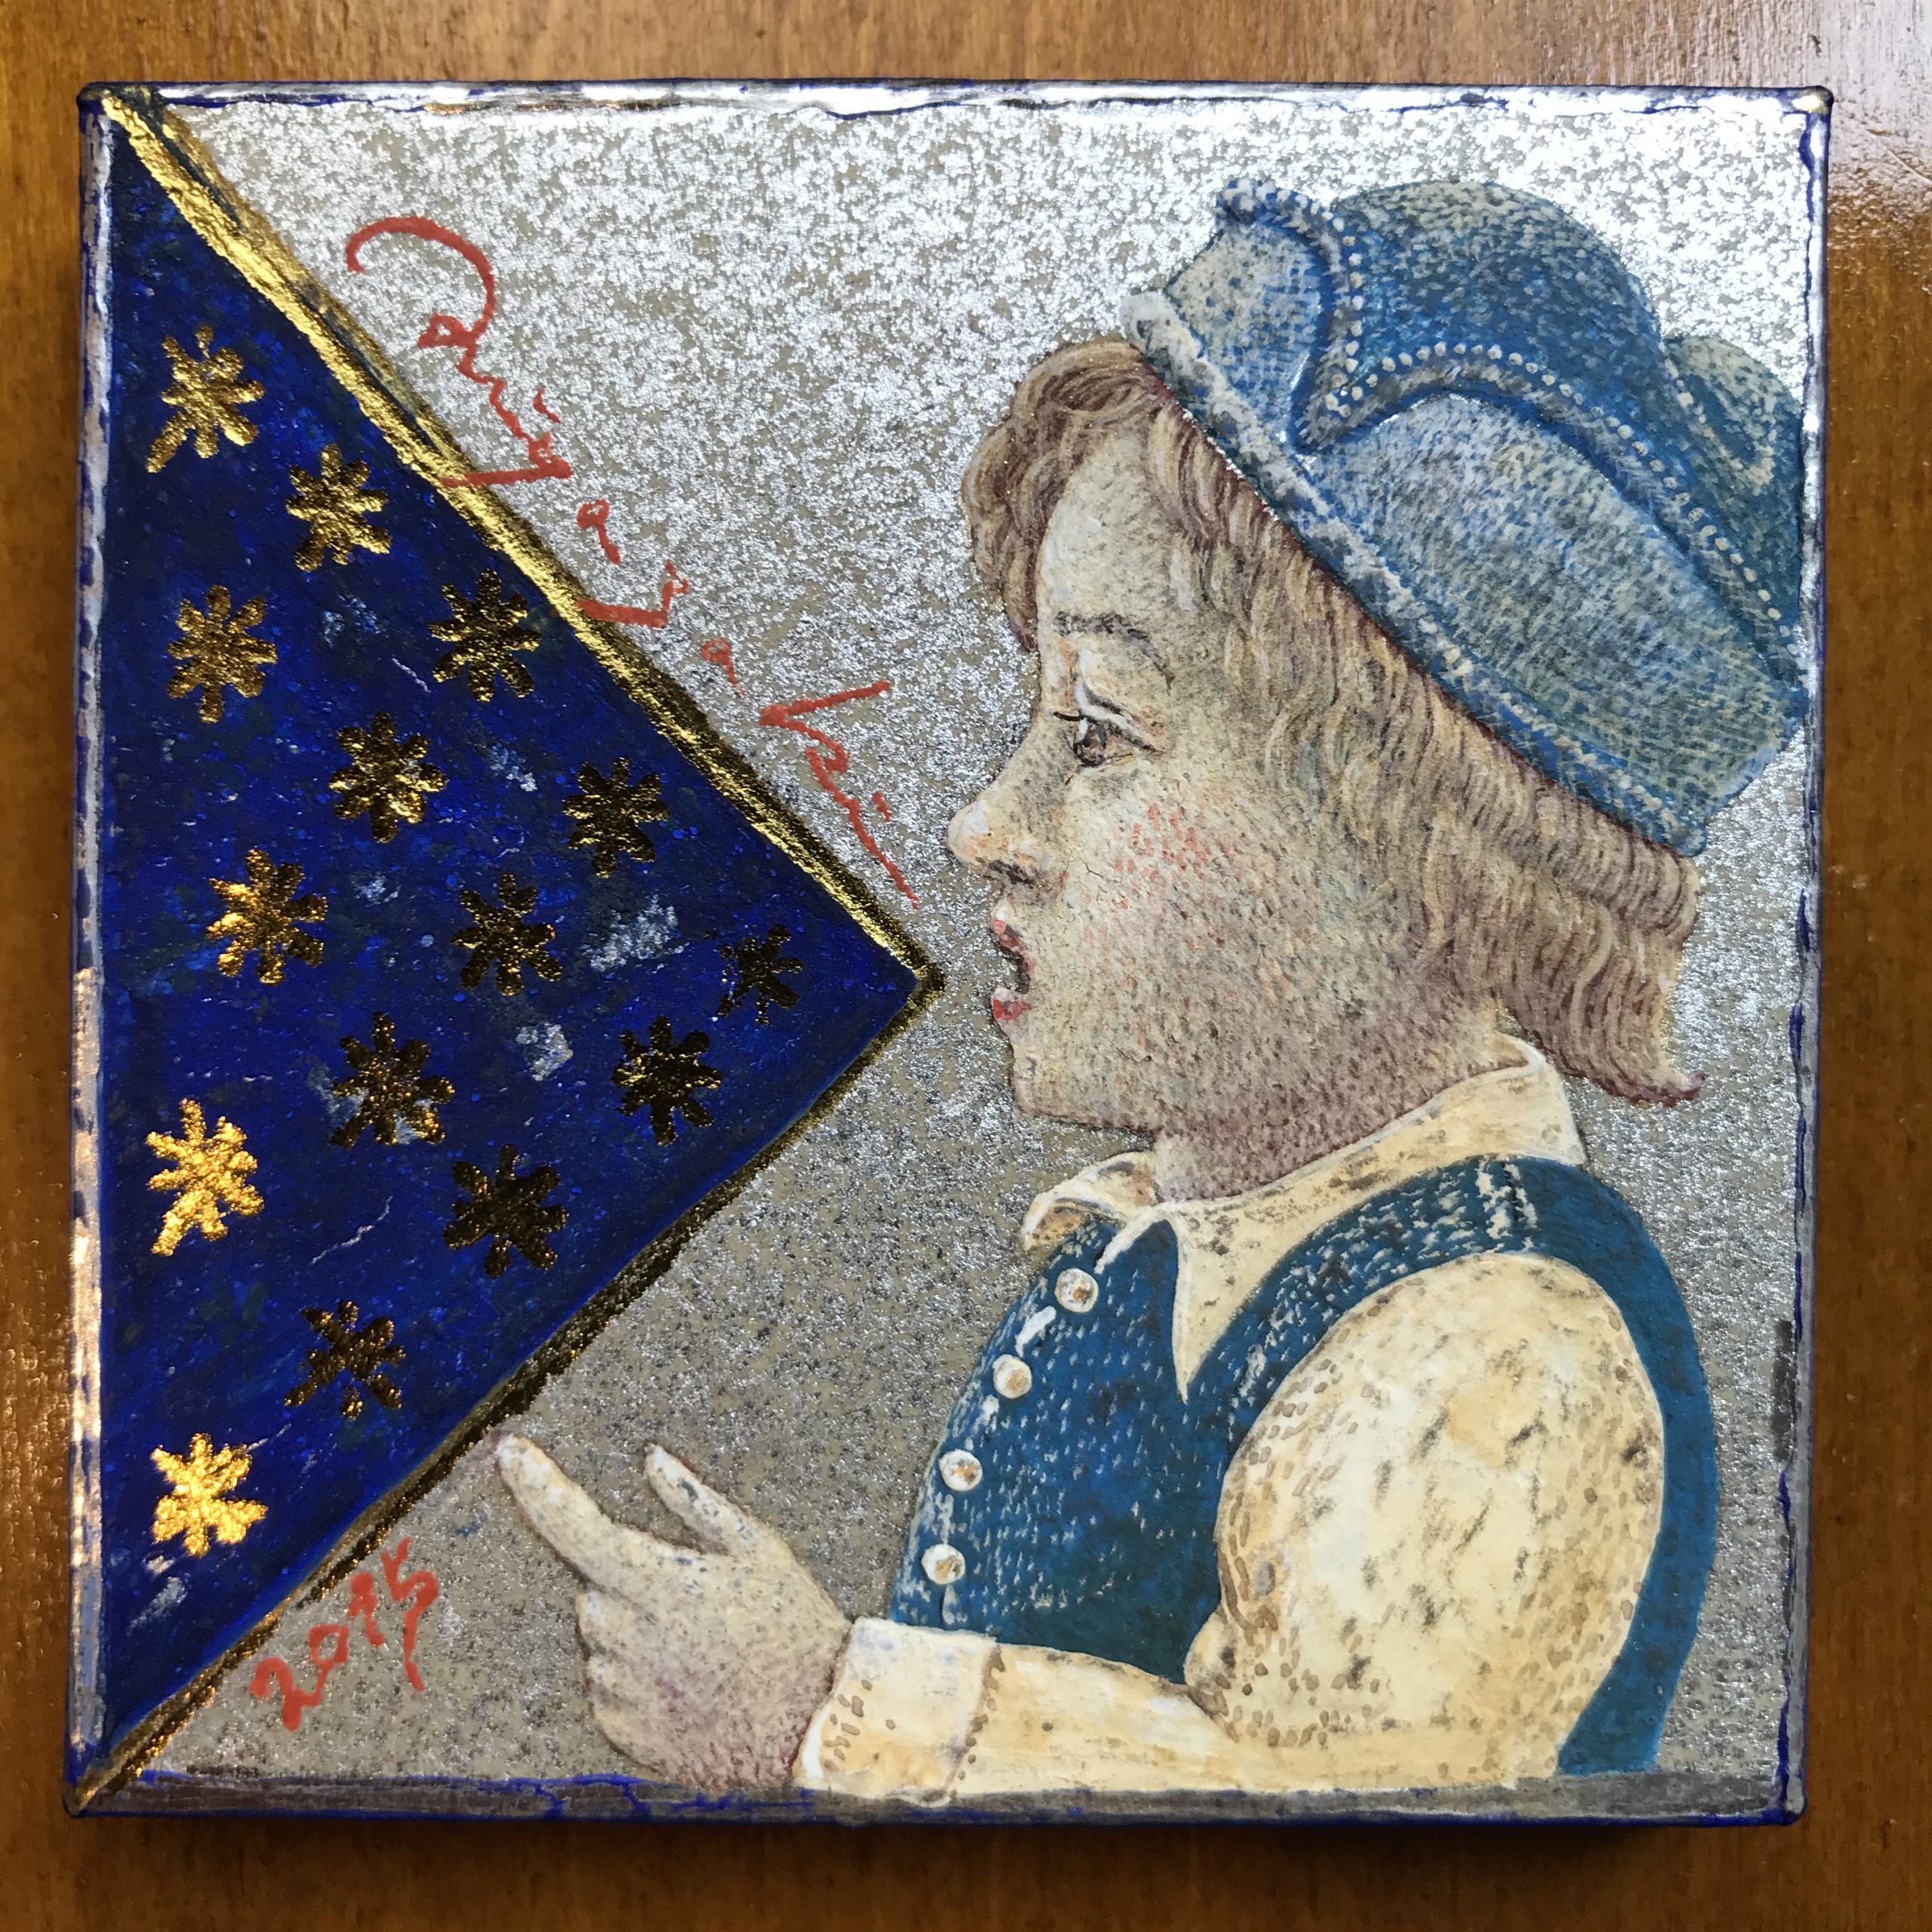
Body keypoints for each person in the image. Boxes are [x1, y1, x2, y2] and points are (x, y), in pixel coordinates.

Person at [497, 178, 1807, 1801]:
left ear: (1433, 851)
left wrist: (820, 1713)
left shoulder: (1499, 1350)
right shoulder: (1167, 1242)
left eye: (1100, 734)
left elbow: (1339, 1830)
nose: (989, 823)